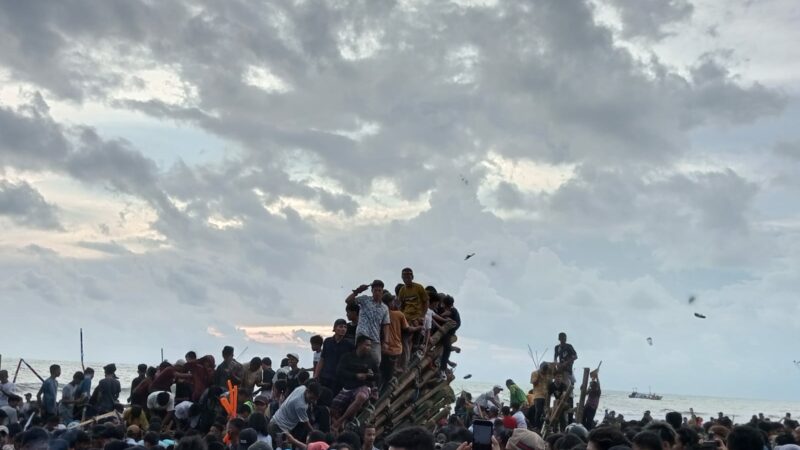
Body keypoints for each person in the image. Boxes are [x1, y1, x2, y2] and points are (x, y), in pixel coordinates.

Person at [331, 336, 380, 431]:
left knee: (361, 396)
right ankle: (338, 425)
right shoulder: (347, 357)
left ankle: (340, 421)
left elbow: (378, 375)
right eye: (367, 345)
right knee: (333, 408)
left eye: (370, 346)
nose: (369, 348)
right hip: (348, 387)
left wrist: (370, 376)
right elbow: (339, 371)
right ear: (359, 345)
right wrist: (355, 375)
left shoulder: (370, 359)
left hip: (363, 386)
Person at [345, 280, 391, 367]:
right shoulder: (365, 299)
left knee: (377, 360)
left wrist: (386, 342)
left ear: (382, 292)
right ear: (372, 291)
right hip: (363, 333)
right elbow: (348, 301)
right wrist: (357, 291)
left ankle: (372, 377)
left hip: (375, 337)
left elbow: (386, 325)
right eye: (375, 290)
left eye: (379, 290)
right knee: (363, 355)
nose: (377, 293)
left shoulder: (385, 308)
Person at [268, 381, 321, 450]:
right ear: (307, 391)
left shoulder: (302, 388)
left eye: (315, 399)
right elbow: (306, 424)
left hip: (276, 423)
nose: (313, 401)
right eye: (312, 398)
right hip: (279, 428)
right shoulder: (300, 405)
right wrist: (317, 435)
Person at [380, 294, 420, 385]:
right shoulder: (398, 314)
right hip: (395, 349)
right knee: (389, 374)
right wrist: (418, 328)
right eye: (392, 301)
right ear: (390, 303)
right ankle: (402, 369)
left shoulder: (379, 314)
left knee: (382, 371)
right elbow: (408, 329)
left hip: (382, 348)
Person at [397, 268, 429, 368]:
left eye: (409, 276)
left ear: (412, 277)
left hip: (417, 316)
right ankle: (404, 361)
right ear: (402, 278)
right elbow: (400, 304)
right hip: (406, 317)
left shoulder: (418, 287)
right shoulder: (402, 290)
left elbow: (426, 302)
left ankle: (414, 352)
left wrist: (422, 316)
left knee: (415, 334)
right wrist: (401, 316)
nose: (407, 278)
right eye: (404, 276)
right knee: (405, 339)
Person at [315, 319, 355, 395]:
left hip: (339, 379)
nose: (343, 329)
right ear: (334, 328)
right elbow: (322, 359)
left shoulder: (349, 345)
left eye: (345, 327)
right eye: (340, 327)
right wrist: (316, 375)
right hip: (325, 376)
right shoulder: (327, 341)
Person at [529, 362, 551, 431]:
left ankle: (542, 426)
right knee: (539, 411)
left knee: (545, 412)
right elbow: (534, 382)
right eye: (544, 369)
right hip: (538, 395)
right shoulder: (535, 373)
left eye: (546, 369)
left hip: (546, 396)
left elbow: (549, 384)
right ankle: (537, 426)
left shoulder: (547, 374)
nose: (545, 371)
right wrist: (539, 375)